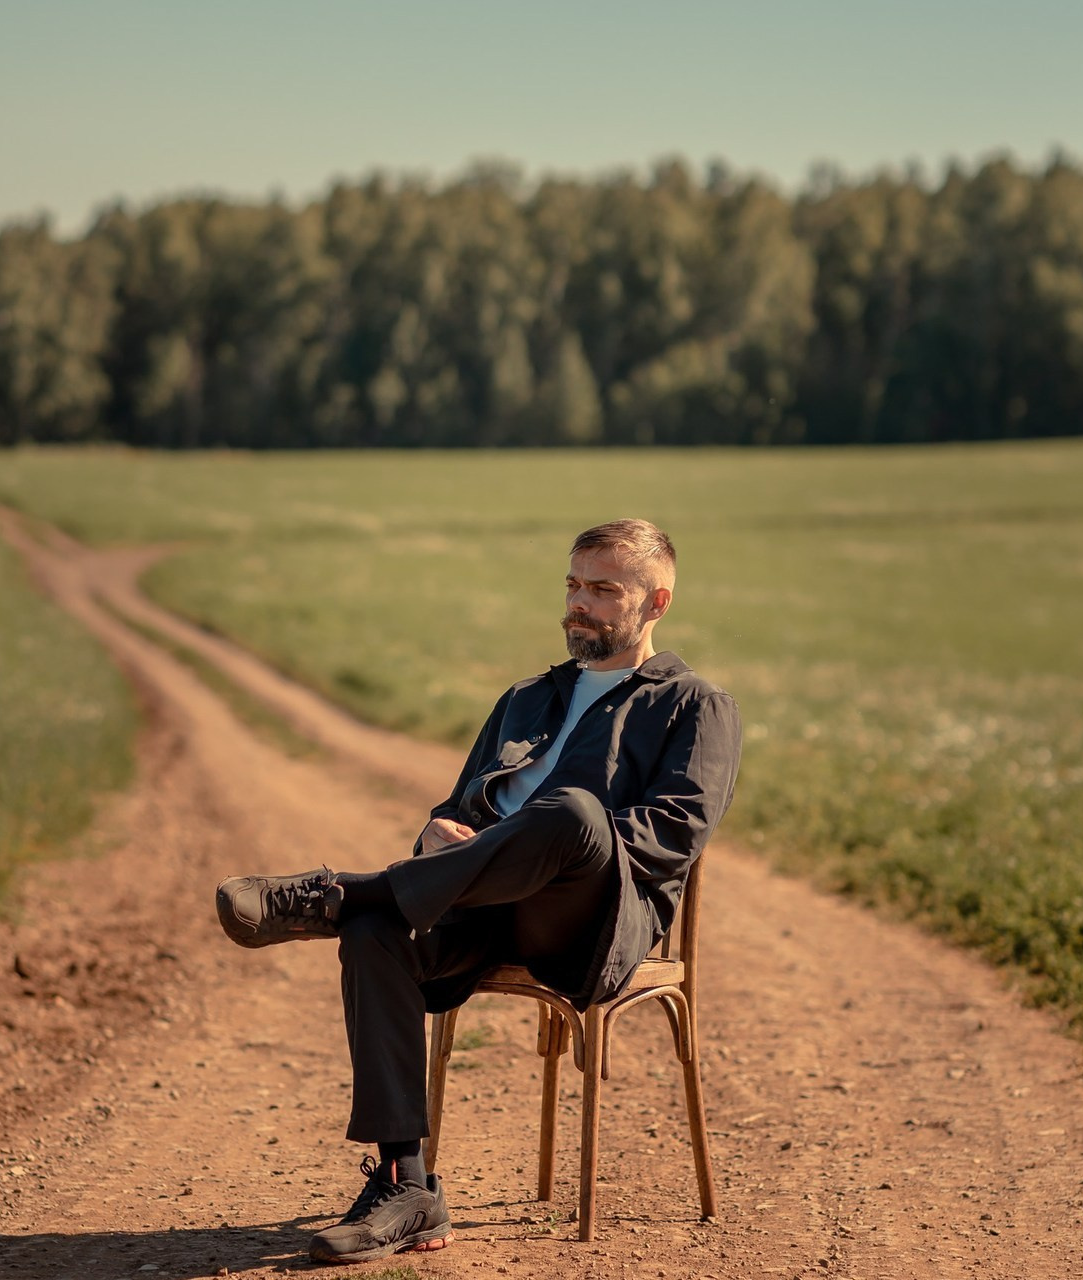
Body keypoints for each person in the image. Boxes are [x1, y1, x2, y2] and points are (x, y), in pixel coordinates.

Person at [215, 518, 742, 1265]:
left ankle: (342, 893)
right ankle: (407, 1188)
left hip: (588, 923)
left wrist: (547, 836)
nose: (579, 604)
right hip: (480, 909)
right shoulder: (527, 698)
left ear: (655, 603)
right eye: (572, 585)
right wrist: (439, 830)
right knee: (375, 935)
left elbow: (674, 835)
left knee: (572, 811)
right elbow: (459, 807)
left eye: (602, 589)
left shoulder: (694, 705)